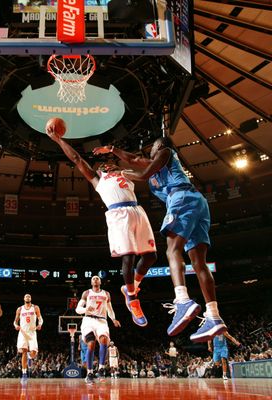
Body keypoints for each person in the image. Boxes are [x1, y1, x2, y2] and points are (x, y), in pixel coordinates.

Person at [94, 137, 227, 342]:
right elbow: (134, 160)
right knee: (199, 262)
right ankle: (213, 315)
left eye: (153, 146)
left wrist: (121, 172)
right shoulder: (156, 165)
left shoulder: (165, 153)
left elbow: (143, 172)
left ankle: (182, 300)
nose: (151, 150)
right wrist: (112, 149)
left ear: (161, 146)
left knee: (172, 250)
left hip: (182, 198)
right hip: (197, 205)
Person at [46, 123, 157, 327]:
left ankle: (130, 288)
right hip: (118, 214)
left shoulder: (125, 174)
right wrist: (59, 140)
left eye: (109, 163)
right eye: (102, 165)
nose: (106, 165)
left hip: (137, 211)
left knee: (151, 256)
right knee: (129, 257)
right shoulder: (99, 181)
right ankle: (132, 299)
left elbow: (144, 172)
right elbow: (77, 159)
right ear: (99, 171)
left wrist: (115, 152)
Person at [75, 275, 121, 384]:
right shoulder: (86, 293)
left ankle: (101, 369)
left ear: (100, 282)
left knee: (104, 340)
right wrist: (86, 309)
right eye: (93, 278)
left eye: (97, 278)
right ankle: (89, 373)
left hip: (102, 321)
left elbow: (110, 309)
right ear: (91, 282)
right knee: (91, 343)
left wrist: (113, 319)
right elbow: (77, 309)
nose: (95, 279)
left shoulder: (106, 294)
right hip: (88, 320)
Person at [14, 294, 43, 383]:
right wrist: (16, 326)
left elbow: (40, 318)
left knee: (34, 352)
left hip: (32, 331)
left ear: (31, 299)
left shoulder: (35, 307)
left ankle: (30, 357)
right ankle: (24, 374)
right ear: (23, 298)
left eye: (29, 297)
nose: (27, 297)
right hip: (23, 332)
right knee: (23, 351)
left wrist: (40, 324)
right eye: (26, 296)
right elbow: (15, 321)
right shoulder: (20, 309)